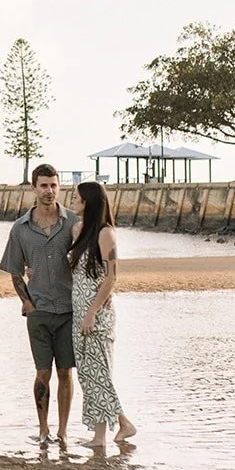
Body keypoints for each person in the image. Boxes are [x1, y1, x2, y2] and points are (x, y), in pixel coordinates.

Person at [0, 163, 79, 444]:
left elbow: (89, 259)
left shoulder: (72, 223)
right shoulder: (20, 228)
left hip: (69, 310)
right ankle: (43, 429)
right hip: (39, 311)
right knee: (42, 372)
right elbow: (14, 269)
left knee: (66, 373)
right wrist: (27, 302)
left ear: (60, 187)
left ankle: (63, 430)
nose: (49, 191)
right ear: (34, 188)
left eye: (54, 185)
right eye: (43, 185)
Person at [68, 181, 136, 449]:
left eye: (76, 198)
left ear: (88, 202)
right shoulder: (78, 229)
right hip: (78, 309)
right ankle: (103, 434)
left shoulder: (106, 234)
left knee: (100, 373)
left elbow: (112, 276)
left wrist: (92, 312)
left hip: (96, 314)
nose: (73, 201)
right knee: (87, 374)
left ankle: (122, 425)